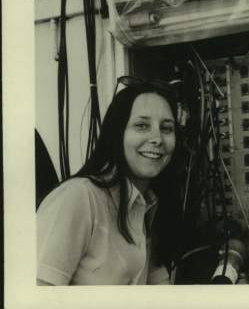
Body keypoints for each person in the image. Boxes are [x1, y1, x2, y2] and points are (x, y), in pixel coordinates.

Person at [37, 81, 183, 285]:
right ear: (117, 133)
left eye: (167, 128)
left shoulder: (148, 207)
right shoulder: (79, 197)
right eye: (142, 126)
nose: (157, 138)